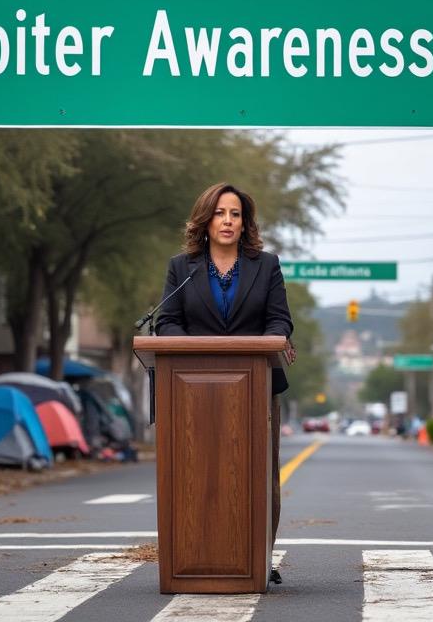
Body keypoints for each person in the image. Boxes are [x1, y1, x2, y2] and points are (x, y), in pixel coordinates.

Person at [156, 182, 293, 584]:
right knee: (198, 474)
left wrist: (269, 341)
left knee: (259, 476)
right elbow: (166, 322)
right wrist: (195, 355)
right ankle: (195, 553)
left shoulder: (266, 265)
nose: (228, 221)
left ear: (245, 221)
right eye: (219, 213)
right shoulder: (181, 268)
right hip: (191, 390)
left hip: (258, 387)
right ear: (205, 219)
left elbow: (280, 320)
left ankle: (259, 559)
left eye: (235, 213)